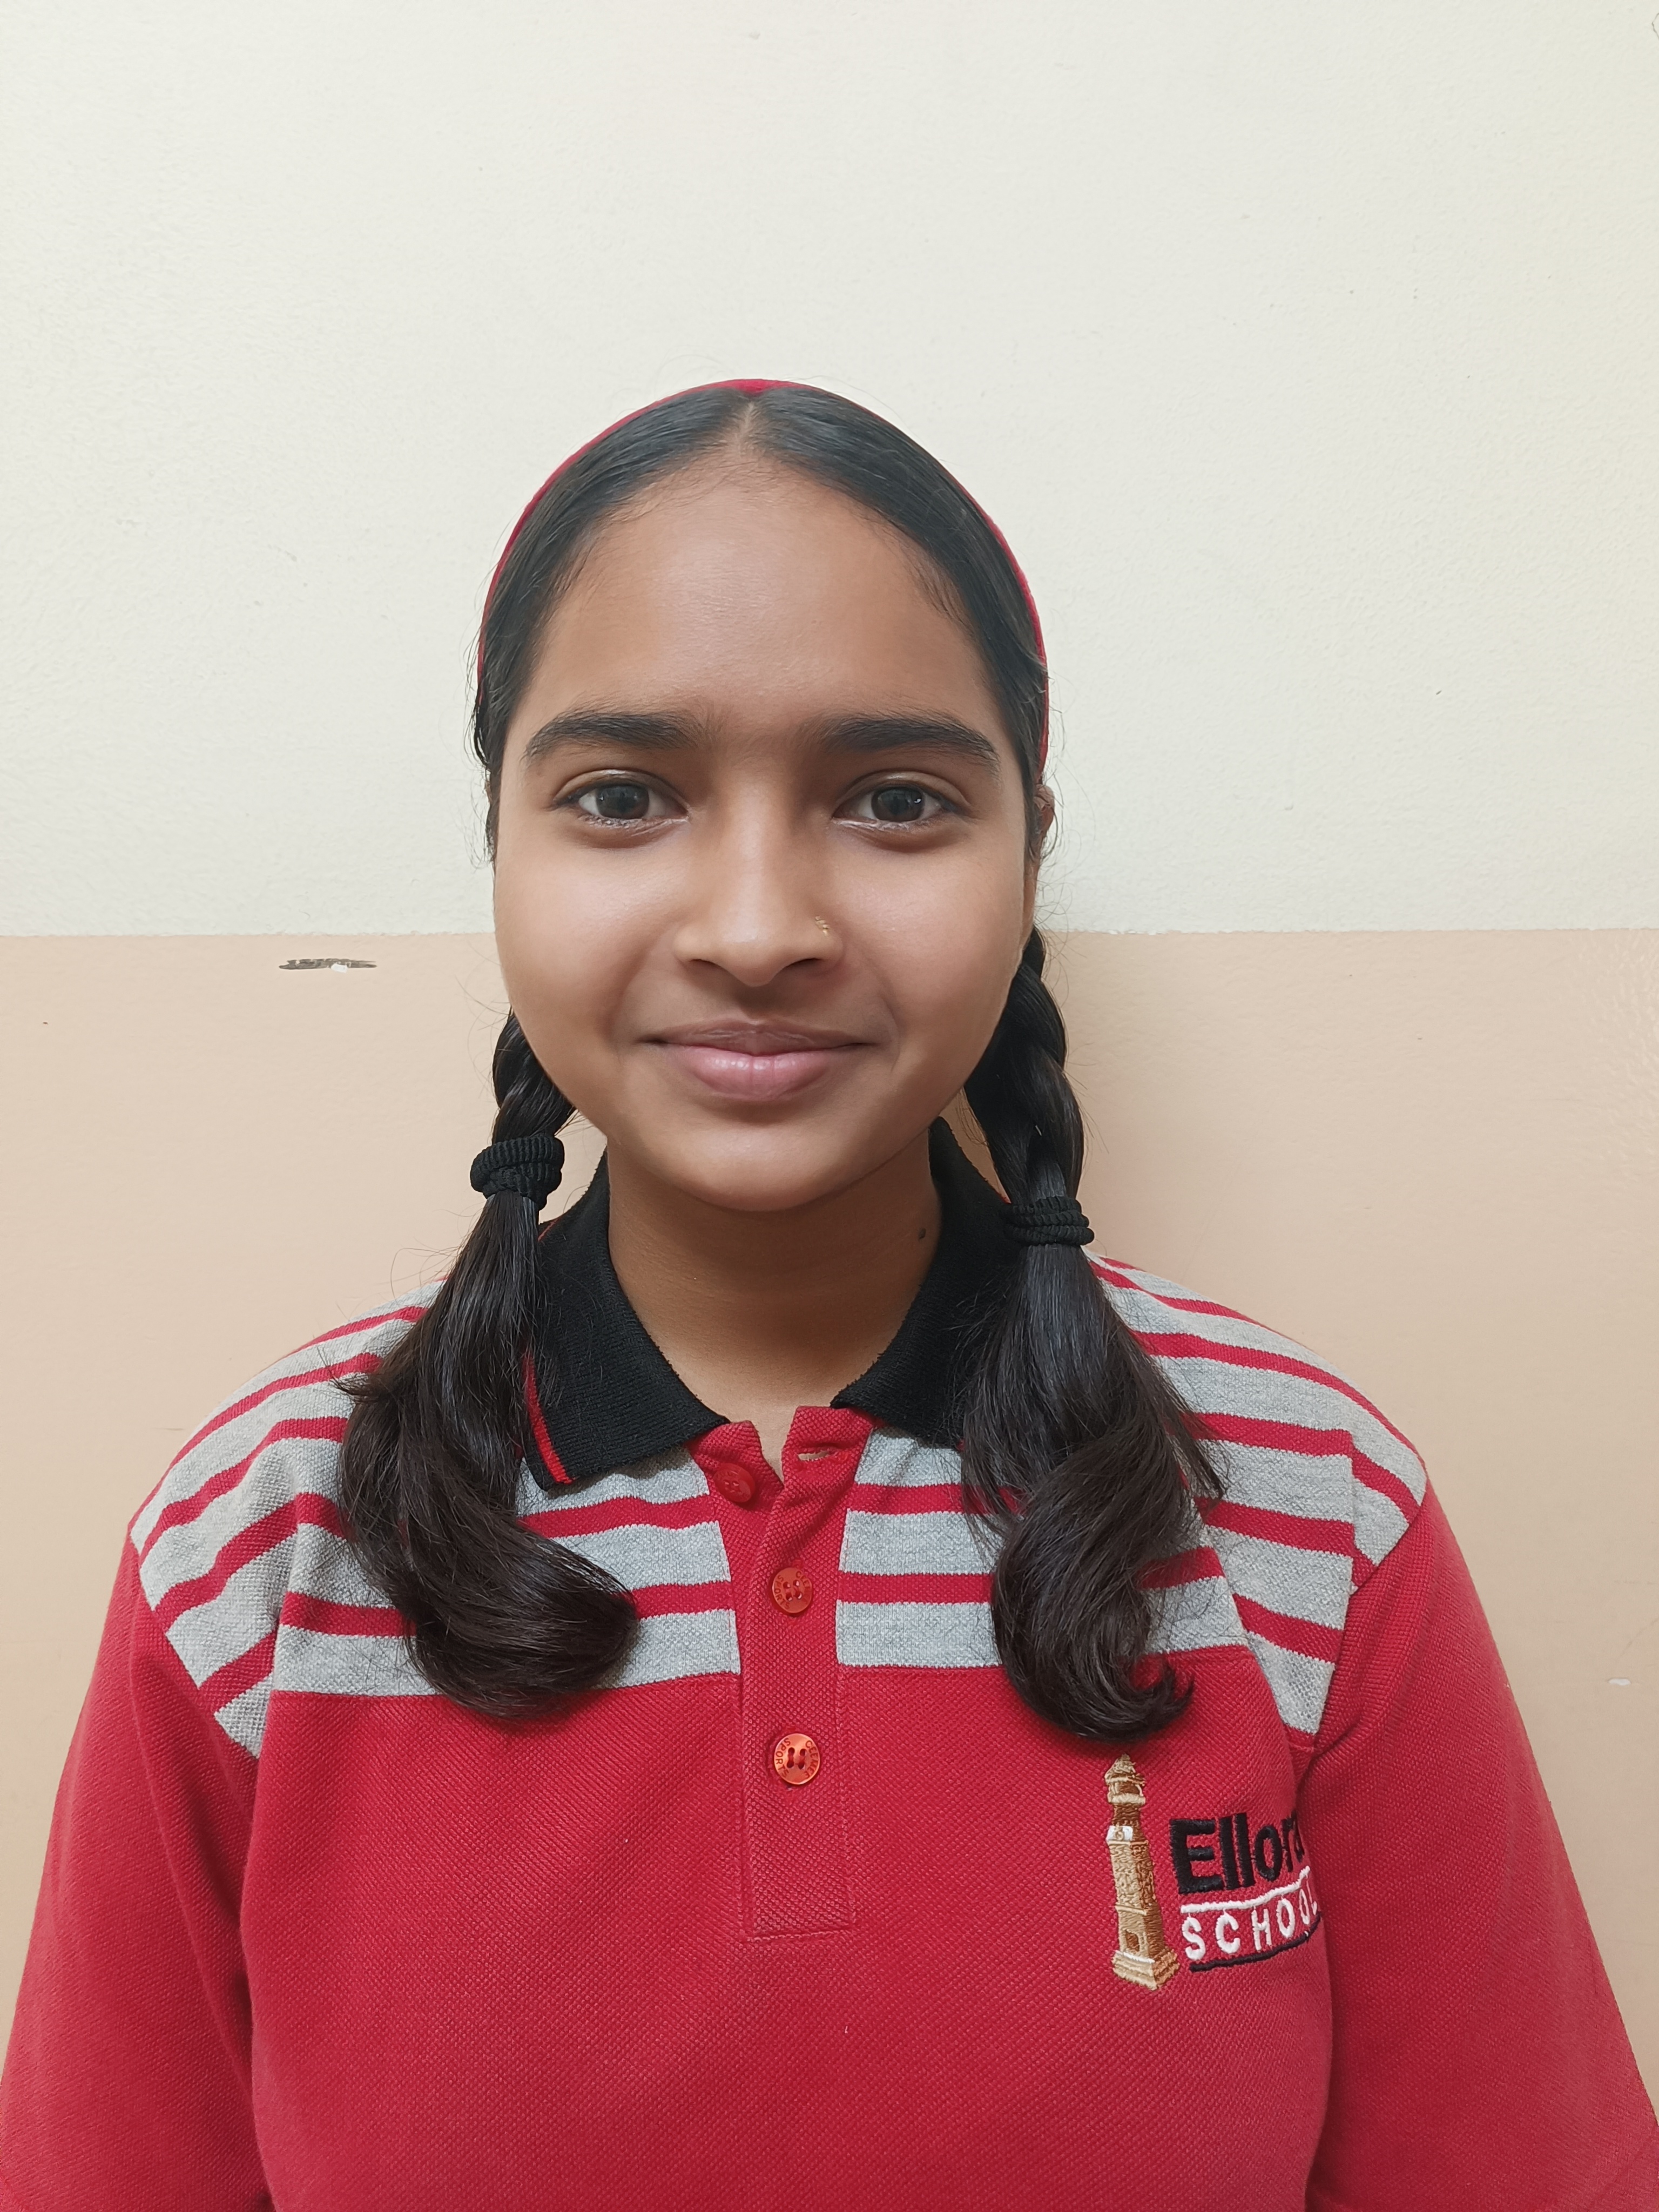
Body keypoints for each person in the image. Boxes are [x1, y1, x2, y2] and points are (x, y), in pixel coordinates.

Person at [1, 381, 1652, 2212]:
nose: (758, 925)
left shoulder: (1307, 1510)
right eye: (623, 797)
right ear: (499, 840)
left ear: (1030, 845)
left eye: (894, 800)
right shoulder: (262, 1546)